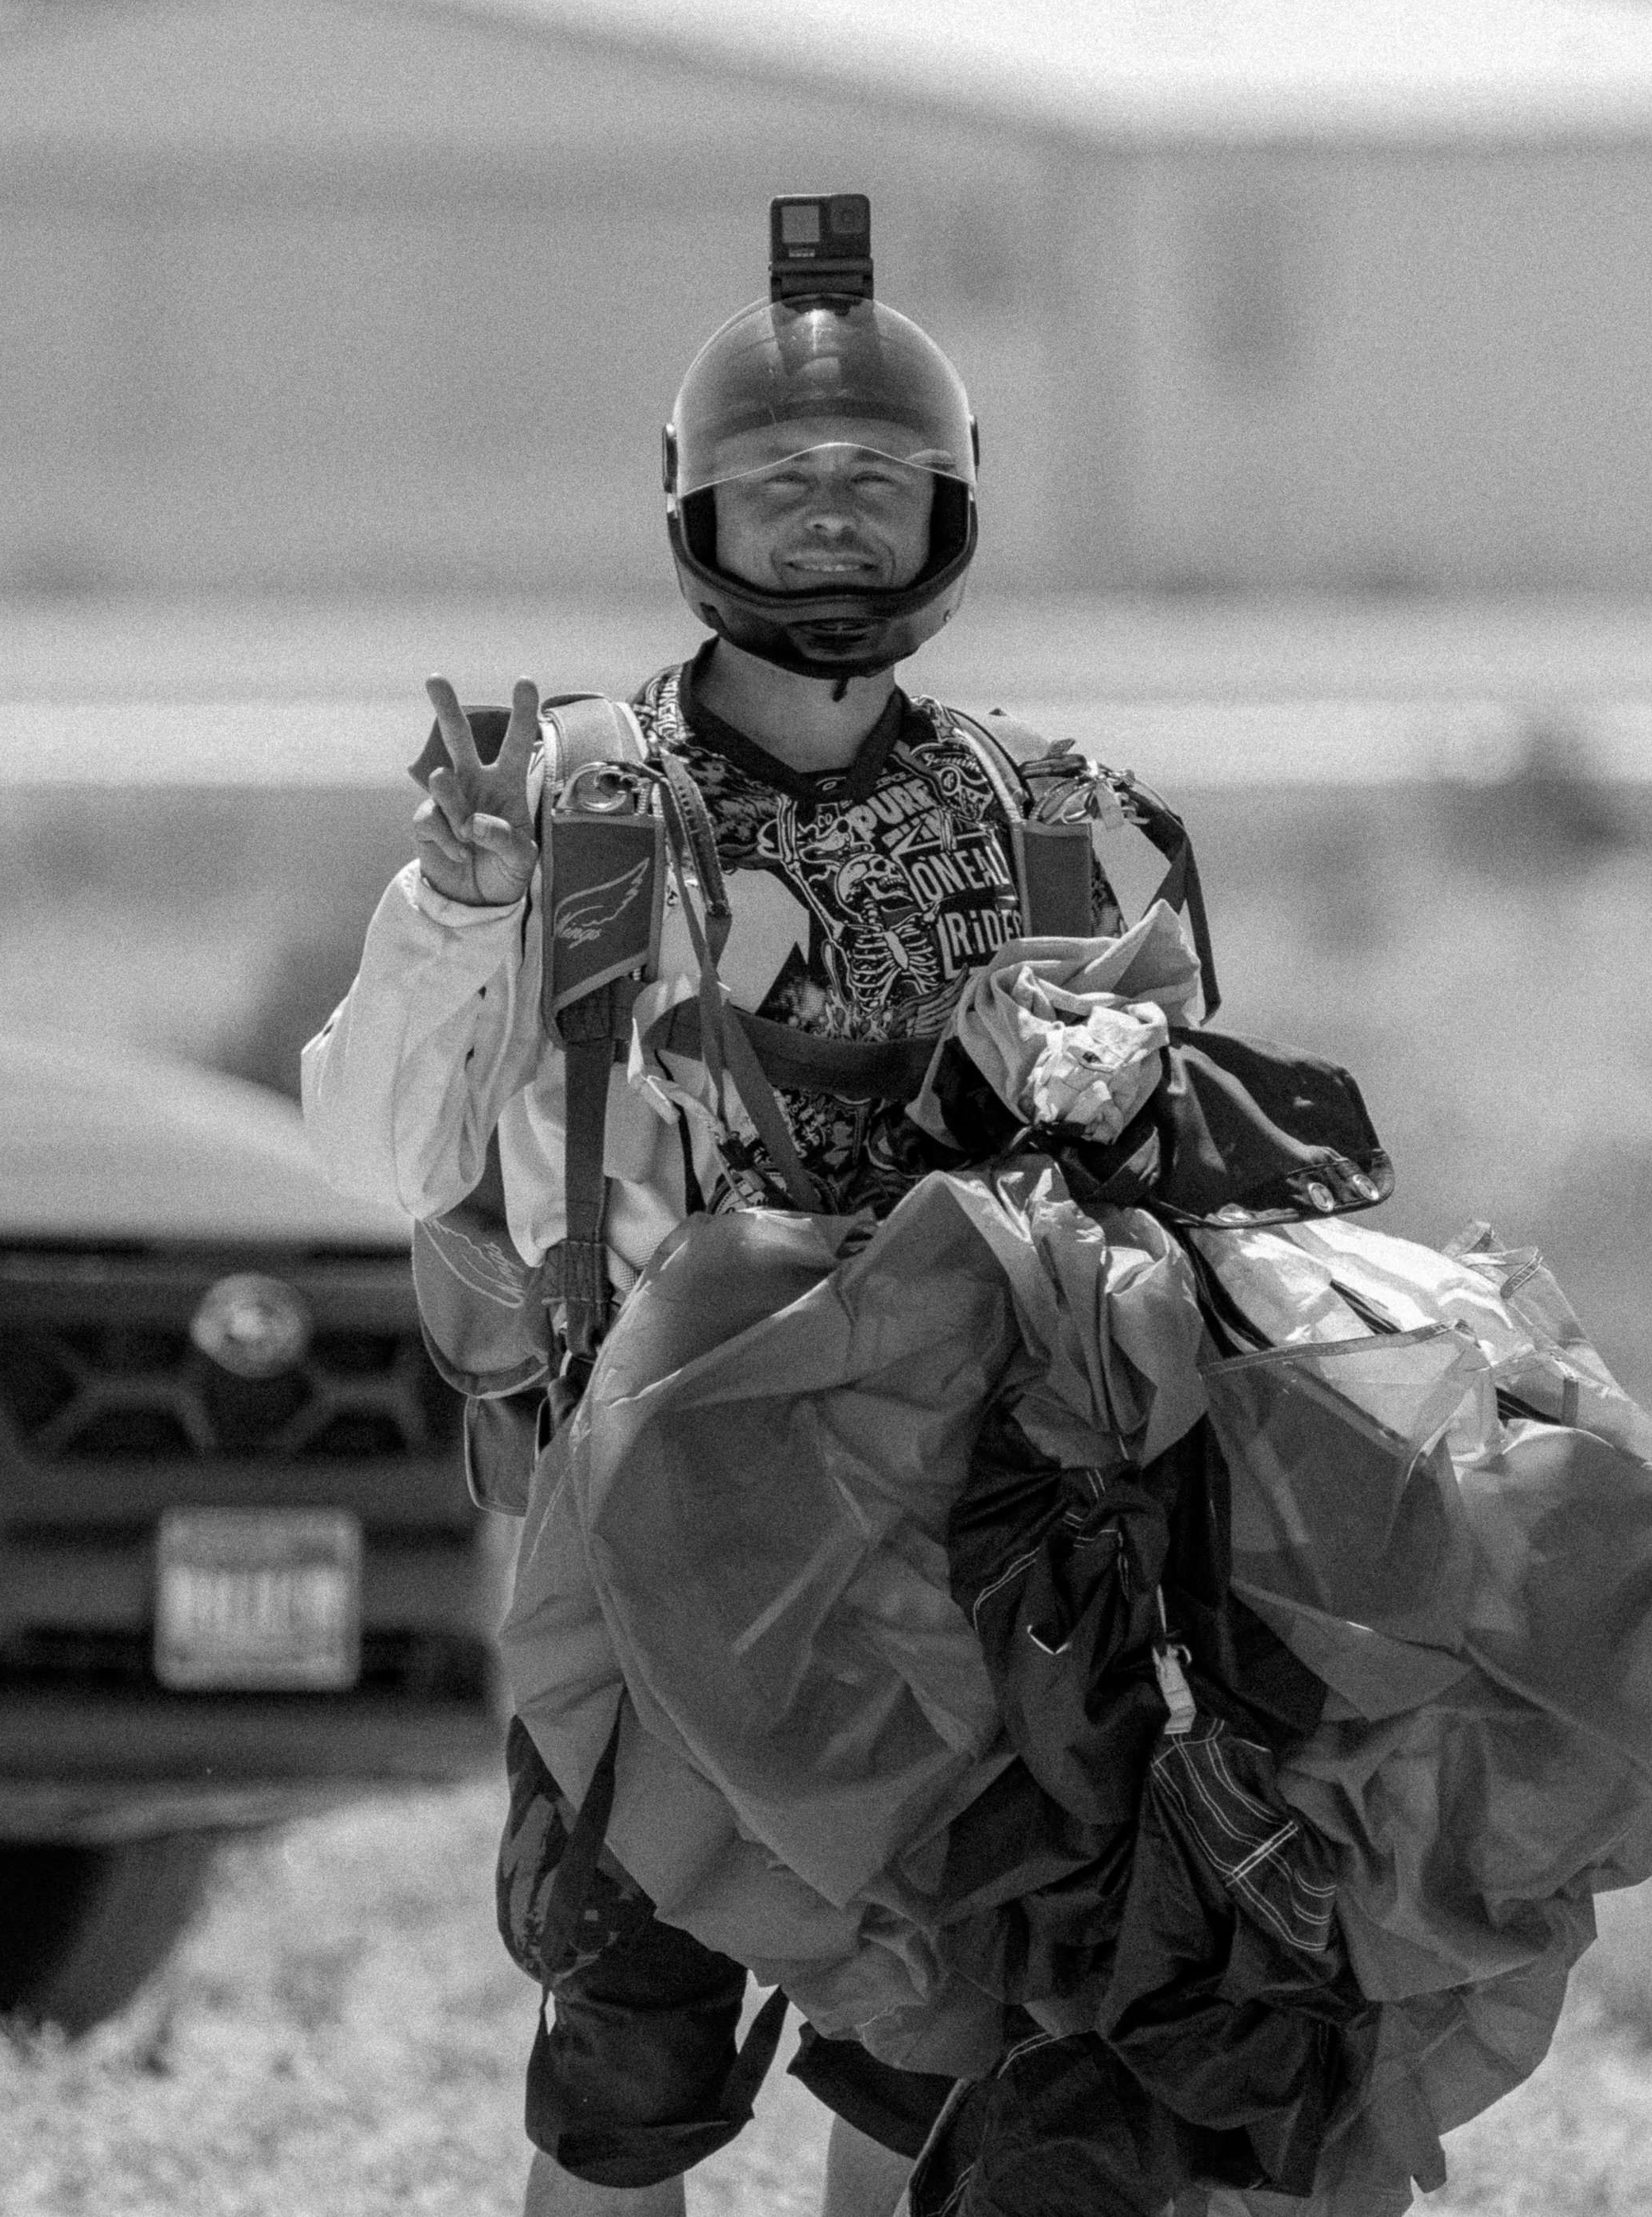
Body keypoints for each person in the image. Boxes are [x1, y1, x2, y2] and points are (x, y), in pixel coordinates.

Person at [301, 196, 1176, 2217]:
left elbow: (1154, 1190)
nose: (831, 516)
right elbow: (371, 1155)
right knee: (630, 2078)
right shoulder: (572, 803)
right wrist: (461, 910)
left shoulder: (1045, 818)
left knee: (927, 2065)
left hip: (963, 1542)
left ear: (950, 507)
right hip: (647, 1538)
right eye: (782, 481)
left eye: (875, 478)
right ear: (696, 507)